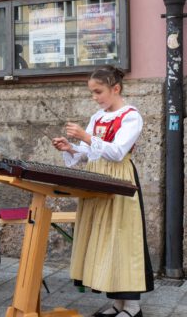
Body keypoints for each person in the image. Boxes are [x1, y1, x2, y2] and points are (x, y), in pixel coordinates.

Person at [52, 66, 153, 317]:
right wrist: (70, 148)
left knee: (122, 238)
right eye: (92, 92)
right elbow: (90, 153)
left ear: (115, 88)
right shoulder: (98, 117)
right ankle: (118, 303)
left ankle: (133, 306)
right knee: (105, 238)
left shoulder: (131, 116)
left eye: (98, 91)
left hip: (119, 181)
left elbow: (117, 152)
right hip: (97, 179)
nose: (94, 97)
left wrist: (85, 137)